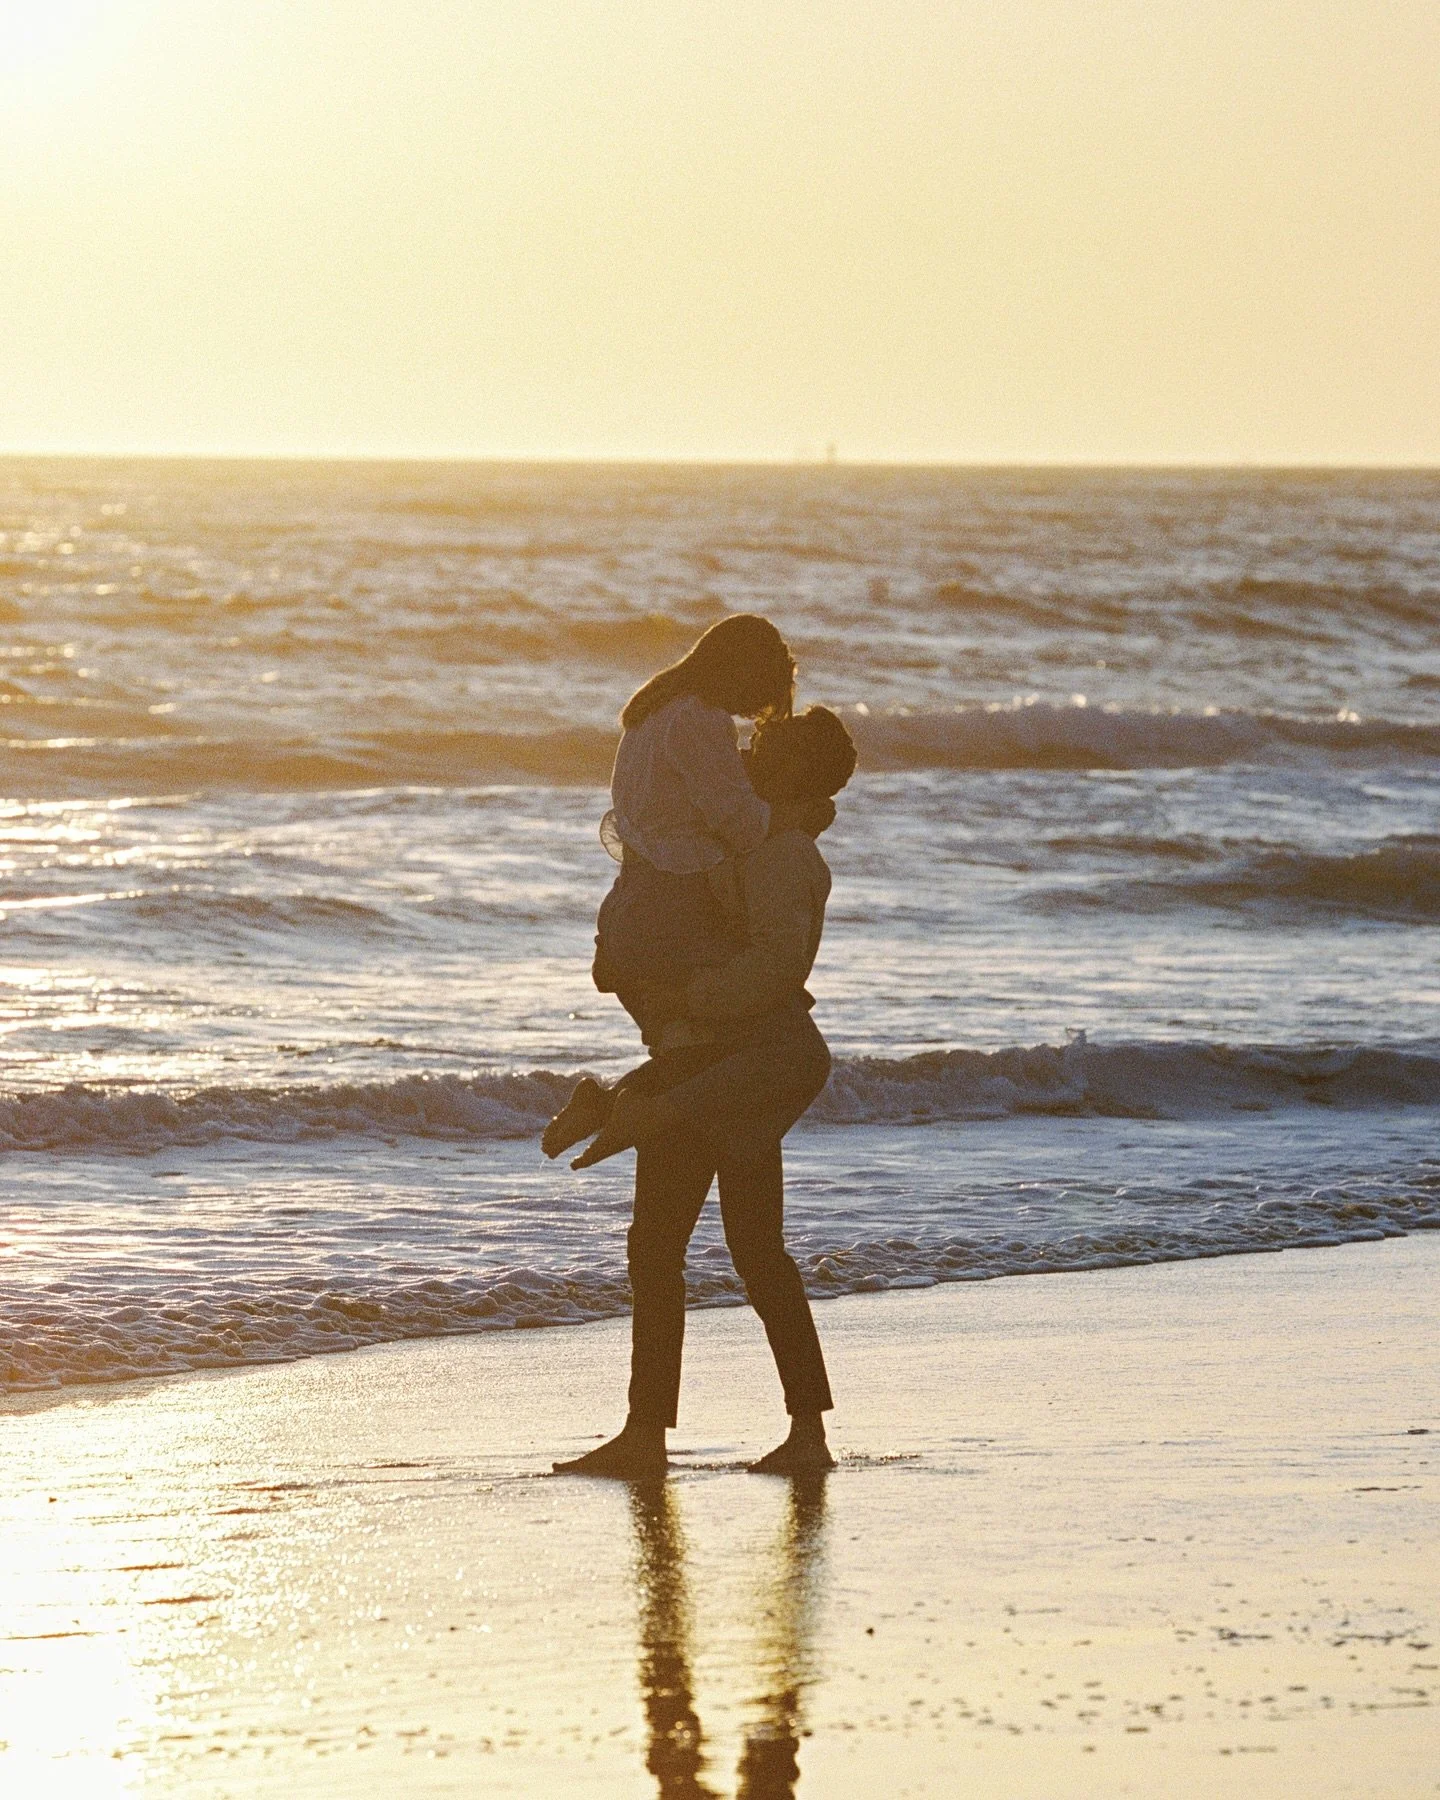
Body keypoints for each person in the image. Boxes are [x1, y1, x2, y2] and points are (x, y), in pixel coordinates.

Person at [552, 706, 857, 1480]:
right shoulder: (760, 839)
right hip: (728, 1060)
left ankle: (649, 1435)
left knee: (661, 1249)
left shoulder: (787, 856)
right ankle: (804, 1432)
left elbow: (777, 968)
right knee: (756, 1253)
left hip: (732, 1066)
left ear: (800, 774)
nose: (754, 754)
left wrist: (691, 996)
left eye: (772, 750)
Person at [591, 612, 832, 1034]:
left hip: (632, 891)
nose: (756, 709)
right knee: (753, 1004)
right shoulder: (700, 719)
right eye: (761, 689)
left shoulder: (654, 709)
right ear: (740, 671)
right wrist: (797, 817)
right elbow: (739, 824)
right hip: (674, 901)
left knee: (676, 1041)